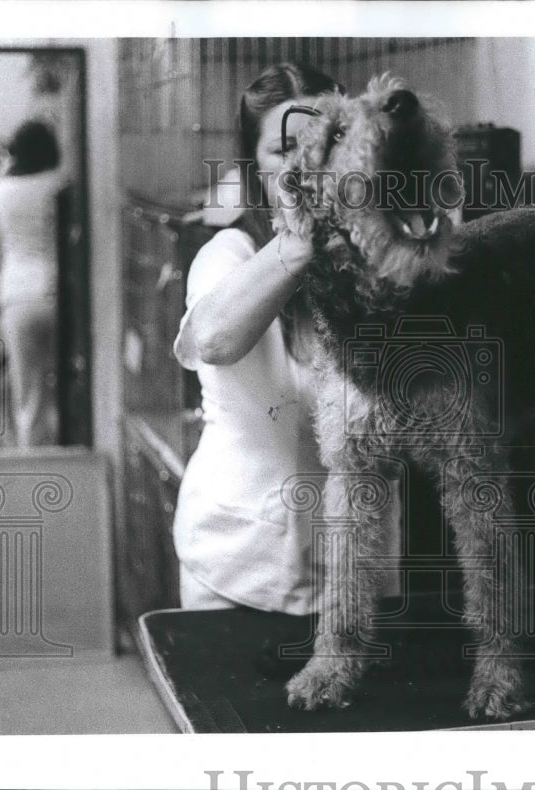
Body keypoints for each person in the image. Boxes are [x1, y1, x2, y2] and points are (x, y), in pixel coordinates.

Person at [172, 63, 344, 613]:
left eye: (324, 143)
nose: (306, 164)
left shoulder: (377, 260)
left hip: (350, 575)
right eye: (283, 149)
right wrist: (296, 247)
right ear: (255, 168)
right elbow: (215, 341)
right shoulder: (230, 252)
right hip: (236, 569)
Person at [0, 120, 67, 447]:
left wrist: (3, 166)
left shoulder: (1, 191)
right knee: (62, 382)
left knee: (28, 391)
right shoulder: (56, 183)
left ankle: (34, 458)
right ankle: (67, 452)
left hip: (17, 297)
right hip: (55, 291)